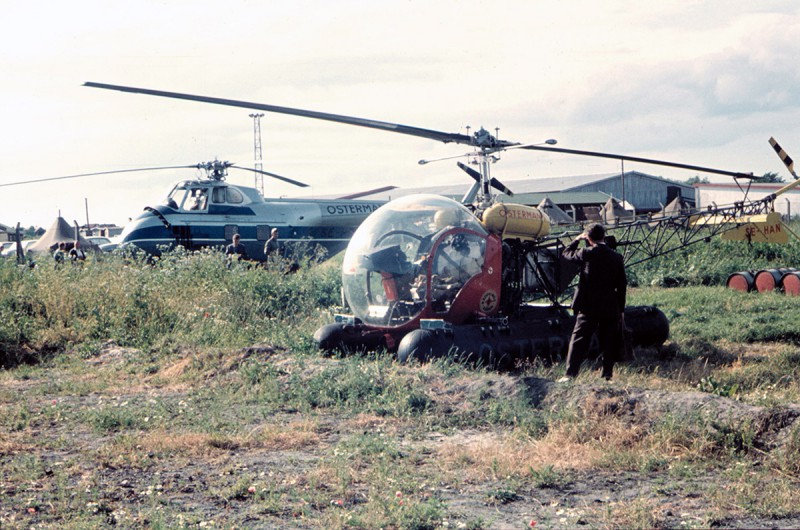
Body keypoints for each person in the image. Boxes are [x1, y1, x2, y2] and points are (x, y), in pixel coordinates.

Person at [560, 223, 627, 381]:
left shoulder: (585, 253)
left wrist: (576, 240)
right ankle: (607, 376)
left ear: (588, 238)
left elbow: (566, 254)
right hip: (610, 306)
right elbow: (622, 285)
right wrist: (621, 309)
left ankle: (570, 374)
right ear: (603, 236)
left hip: (588, 306)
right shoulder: (617, 257)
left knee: (579, 340)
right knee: (608, 341)